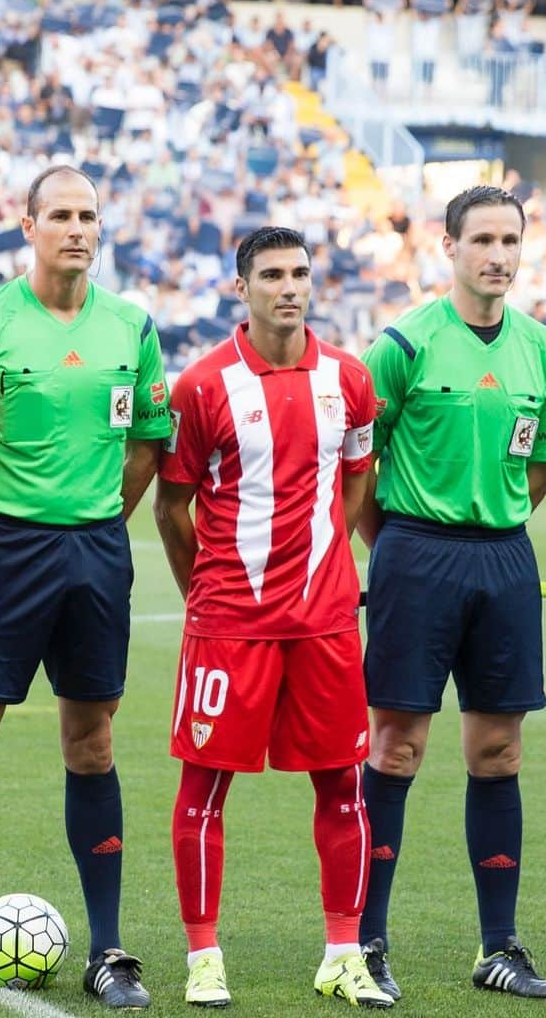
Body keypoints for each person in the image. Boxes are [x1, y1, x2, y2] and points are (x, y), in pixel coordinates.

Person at [0, 164, 171, 1010]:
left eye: (89, 215)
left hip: (95, 552)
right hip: (1, 548)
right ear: (28, 226)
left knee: (92, 741)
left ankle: (108, 950)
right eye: (60, 214)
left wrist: (102, 521)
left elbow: (147, 449)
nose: (77, 228)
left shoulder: (132, 327)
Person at [153, 226, 390, 1010]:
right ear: (241, 288)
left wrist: (323, 572)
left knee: (343, 787)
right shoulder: (202, 386)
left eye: (300, 273)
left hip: (324, 624)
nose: (290, 287)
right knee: (205, 790)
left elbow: (354, 486)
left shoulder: (351, 380)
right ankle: (203, 956)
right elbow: (171, 509)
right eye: (272, 275)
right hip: (230, 625)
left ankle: (344, 953)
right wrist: (209, 595)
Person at [357, 185, 546, 1001]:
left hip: (506, 560)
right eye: (482, 239)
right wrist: (403, 549)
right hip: (416, 554)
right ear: (448, 247)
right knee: (395, 748)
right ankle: (364, 941)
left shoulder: (543, 350)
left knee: (500, 752)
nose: (498, 255)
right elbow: (358, 466)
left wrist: (498, 523)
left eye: (510, 240)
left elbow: (545, 460)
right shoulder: (403, 345)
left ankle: (500, 947)